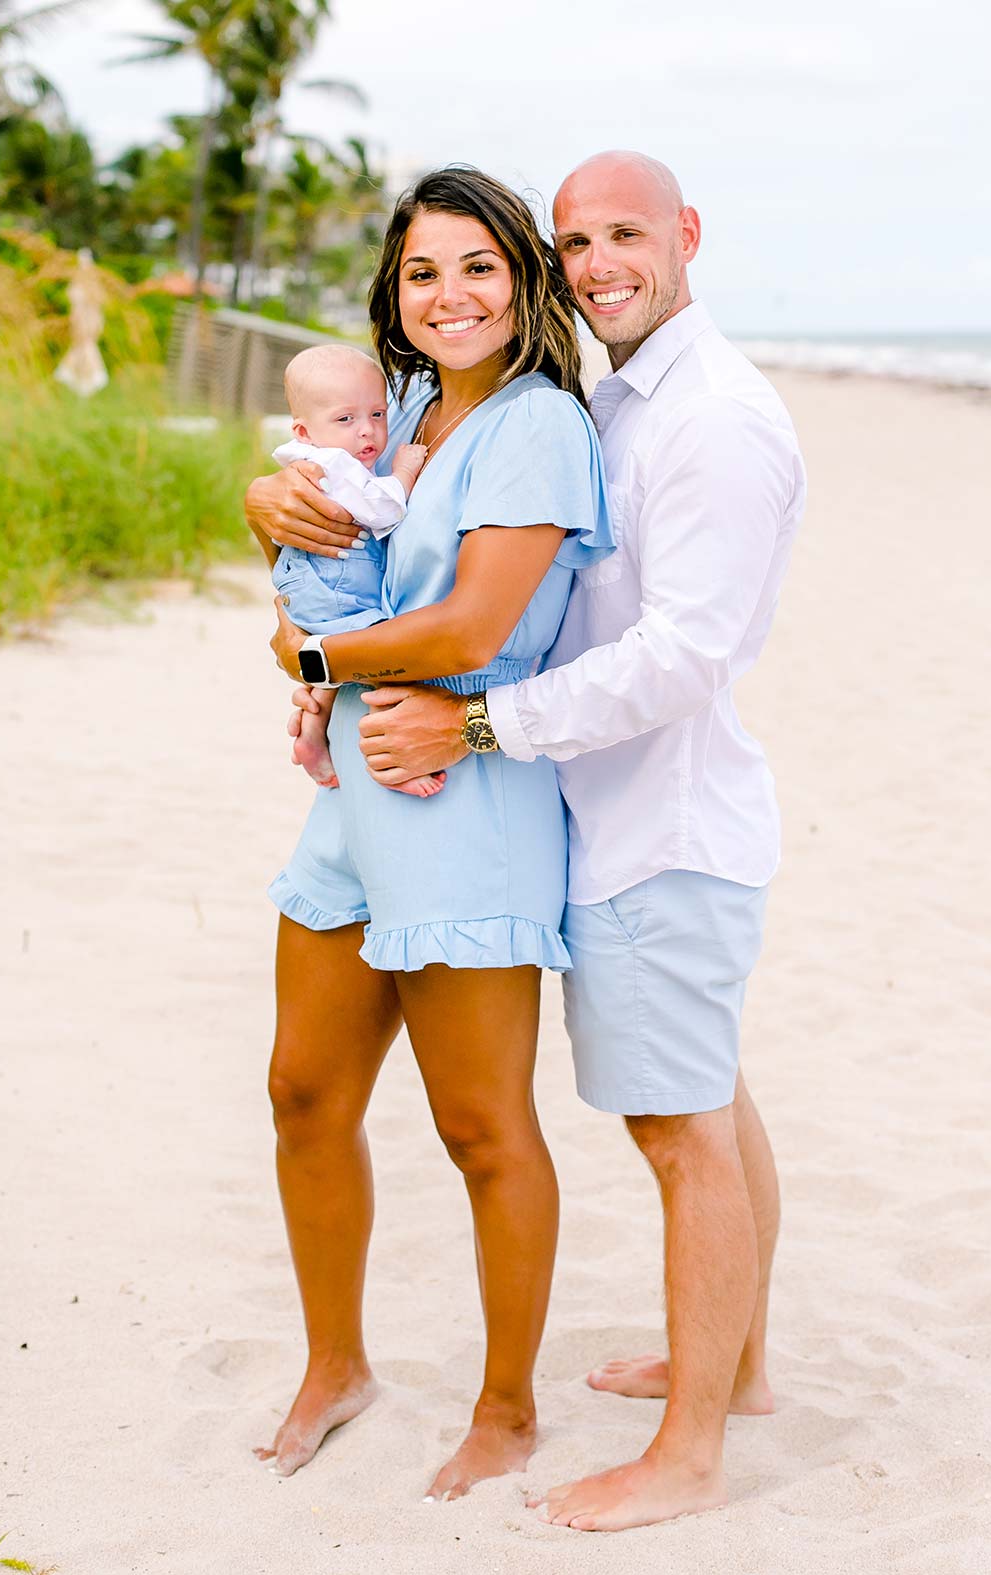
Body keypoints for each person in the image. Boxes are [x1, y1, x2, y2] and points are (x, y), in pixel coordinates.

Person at [348, 150, 807, 1532]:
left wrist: (480, 730)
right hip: (620, 818)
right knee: (710, 1094)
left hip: (659, 823)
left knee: (680, 1135)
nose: (597, 261)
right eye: (573, 240)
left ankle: (689, 1450)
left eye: (624, 234)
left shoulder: (712, 417)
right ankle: (741, 1364)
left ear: (686, 234)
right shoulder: (617, 396)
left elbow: (681, 655)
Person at [242, 166, 613, 1498]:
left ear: (522, 276)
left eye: (474, 265)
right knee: (301, 1089)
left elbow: (465, 629)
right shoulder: (395, 408)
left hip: (460, 790)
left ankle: (507, 1406)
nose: (447, 294)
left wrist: (312, 654)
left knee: (478, 1124)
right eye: (420, 272)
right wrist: (265, 524)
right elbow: (303, 541)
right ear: (393, 294)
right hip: (353, 799)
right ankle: (333, 1360)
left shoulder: (534, 426)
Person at [266, 343, 437, 795]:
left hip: (312, 579)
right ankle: (394, 759)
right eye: (346, 419)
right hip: (336, 582)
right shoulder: (334, 464)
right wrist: (403, 472)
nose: (367, 433)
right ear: (304, 429)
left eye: (377, 415)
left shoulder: (313, 455)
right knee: (380, 658)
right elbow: (381, 511)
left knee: (331, 666)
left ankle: (311, 732)